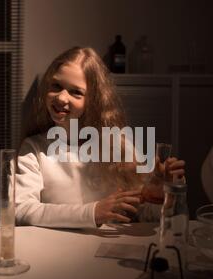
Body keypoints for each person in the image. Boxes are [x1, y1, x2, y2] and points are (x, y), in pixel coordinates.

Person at [16, 47, 185, 229]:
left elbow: (145, 218)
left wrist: (163, 196)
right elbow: (21, 210)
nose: (61, 97)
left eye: (76, 92)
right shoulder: (33, 149)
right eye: (56, 86)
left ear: (94, 101)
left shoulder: (119, 146)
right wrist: (93, 212)